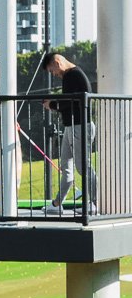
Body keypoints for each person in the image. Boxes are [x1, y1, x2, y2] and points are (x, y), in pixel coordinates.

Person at [43, 51, 94, 213]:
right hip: (71, 126)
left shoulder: (72, 75)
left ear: (57, 63)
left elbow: (70, 101)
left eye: (52, 71)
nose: (54, 74)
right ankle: (57, 205)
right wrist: (54, 103)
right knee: (66, 166)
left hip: (80, 126)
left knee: (82, 167)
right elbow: (68, 100)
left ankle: (93, 203)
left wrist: (52, 105)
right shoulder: (70, 76)